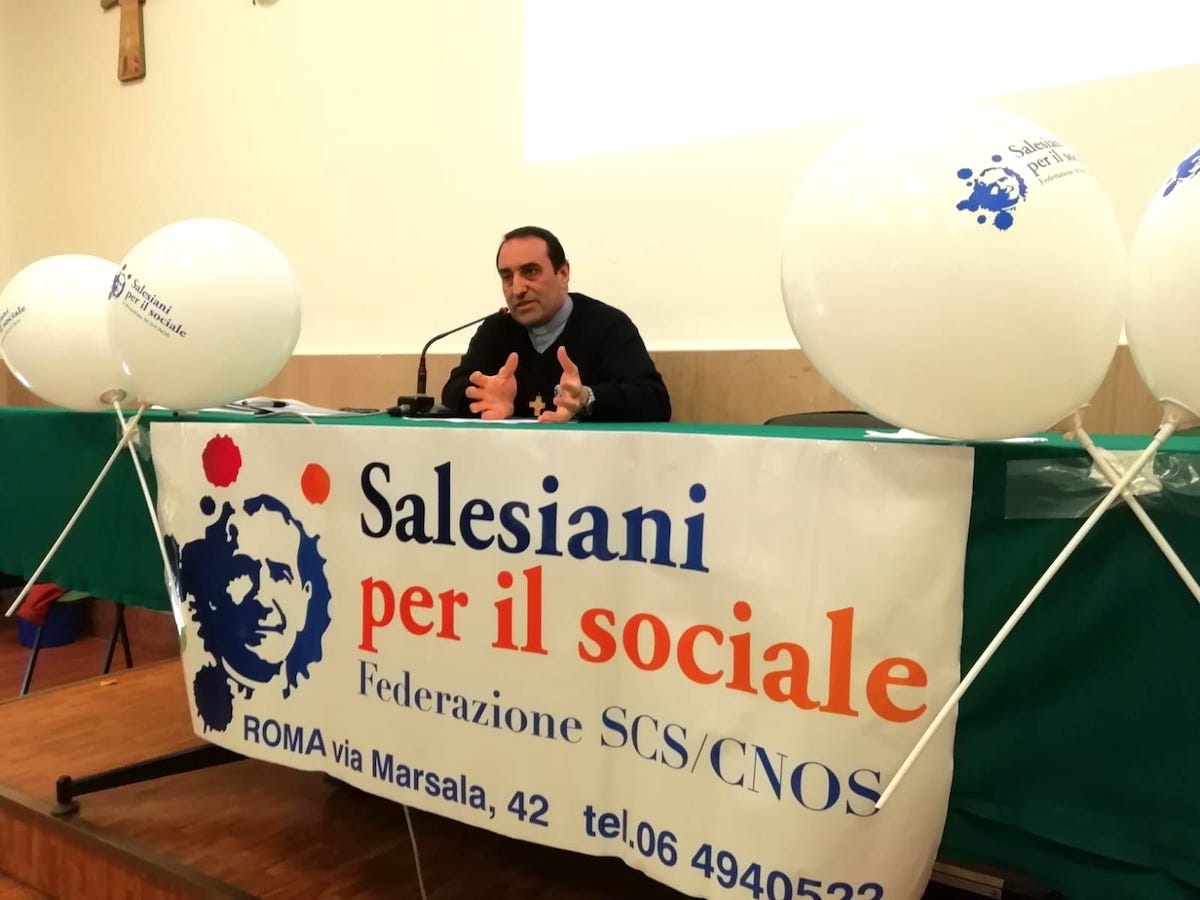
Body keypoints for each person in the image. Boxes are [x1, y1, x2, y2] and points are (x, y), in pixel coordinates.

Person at [440, 226, 671, 422]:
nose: (517, 289)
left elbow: (655, 400)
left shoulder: (608, 325)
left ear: (563, 274)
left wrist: (586, 398)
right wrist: (482, 397)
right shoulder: (496, 329)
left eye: (530, 272)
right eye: (507, 276)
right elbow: (453, 389)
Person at [176, 494, 332, 729]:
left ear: (305, 596)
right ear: (214, 589)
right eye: (243, 572)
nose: (263, 599)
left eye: (280, 575)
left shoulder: (323, 707)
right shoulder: (205, 712)